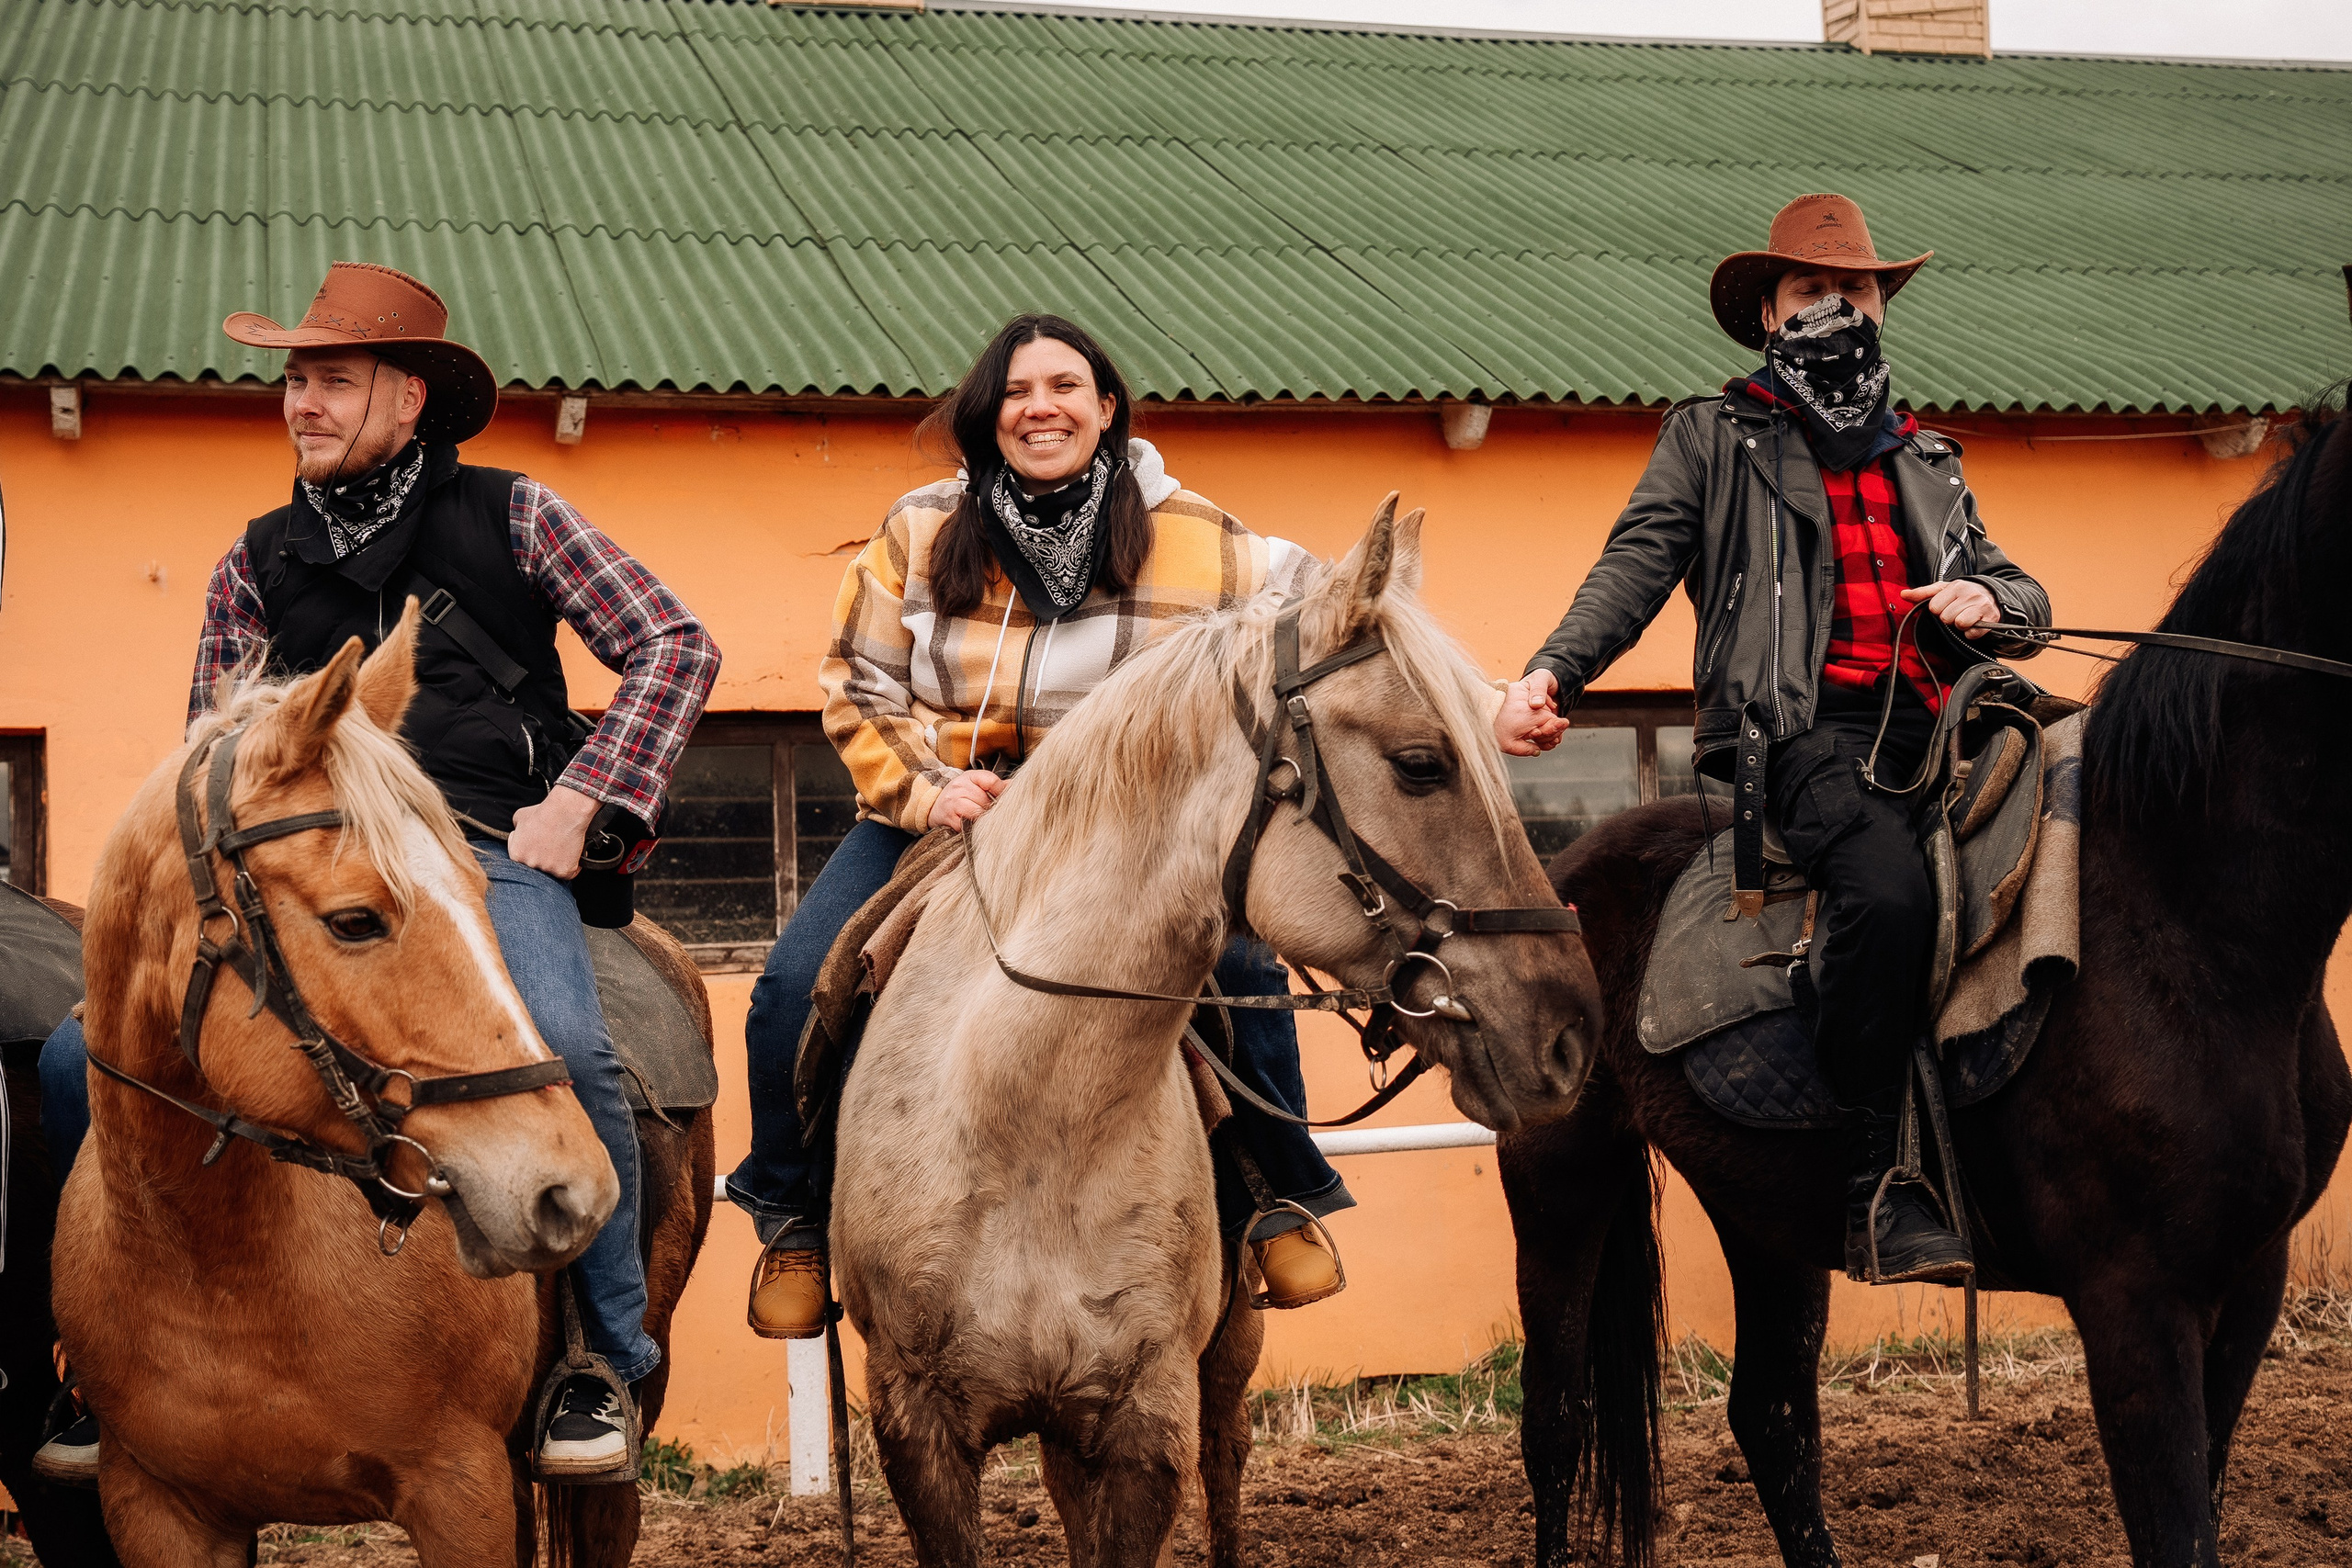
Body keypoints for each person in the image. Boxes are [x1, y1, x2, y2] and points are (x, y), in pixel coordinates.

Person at [34, 262, 719, 1483]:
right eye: (296, 380)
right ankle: (97, 1363)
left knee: (572, 1031)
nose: (304, 402)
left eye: (334, 380)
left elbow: (674, 643)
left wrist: (587, 795)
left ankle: (599, 1362)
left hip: (480, 859)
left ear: (411, 398)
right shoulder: (253, 560)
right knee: (72, 1061)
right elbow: (209, 744)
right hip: (303, 880)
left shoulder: (518, 514)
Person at [733, 313, 1356, 1339]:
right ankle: (794, 1216)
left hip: (1128, 831)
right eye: (1018, 392)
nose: (1041, 408)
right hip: (949, 812)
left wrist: (1492, 694)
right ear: (991, 415)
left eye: (1064, 387)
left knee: (1238, 967)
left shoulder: (1204, 537)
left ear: (1106, 408)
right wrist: (928, 789)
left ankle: (1273, 1196)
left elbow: (1350, 614)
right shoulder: (921, 529)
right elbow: (857, 682)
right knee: (795, 982)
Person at [1491, 194, 2052, 1286]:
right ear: (1766, 311)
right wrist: (1552, 672)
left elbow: (2020, 587)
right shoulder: (1714, 435)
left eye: (1855, 288)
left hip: (1951, 725)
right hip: (1804, 738)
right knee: (1888, 896)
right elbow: (1636, 564)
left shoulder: (1927, 456)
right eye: (1810, 289)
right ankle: (1870, 1172)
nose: (1835, 304)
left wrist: (1993, 603)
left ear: (1882, 308)